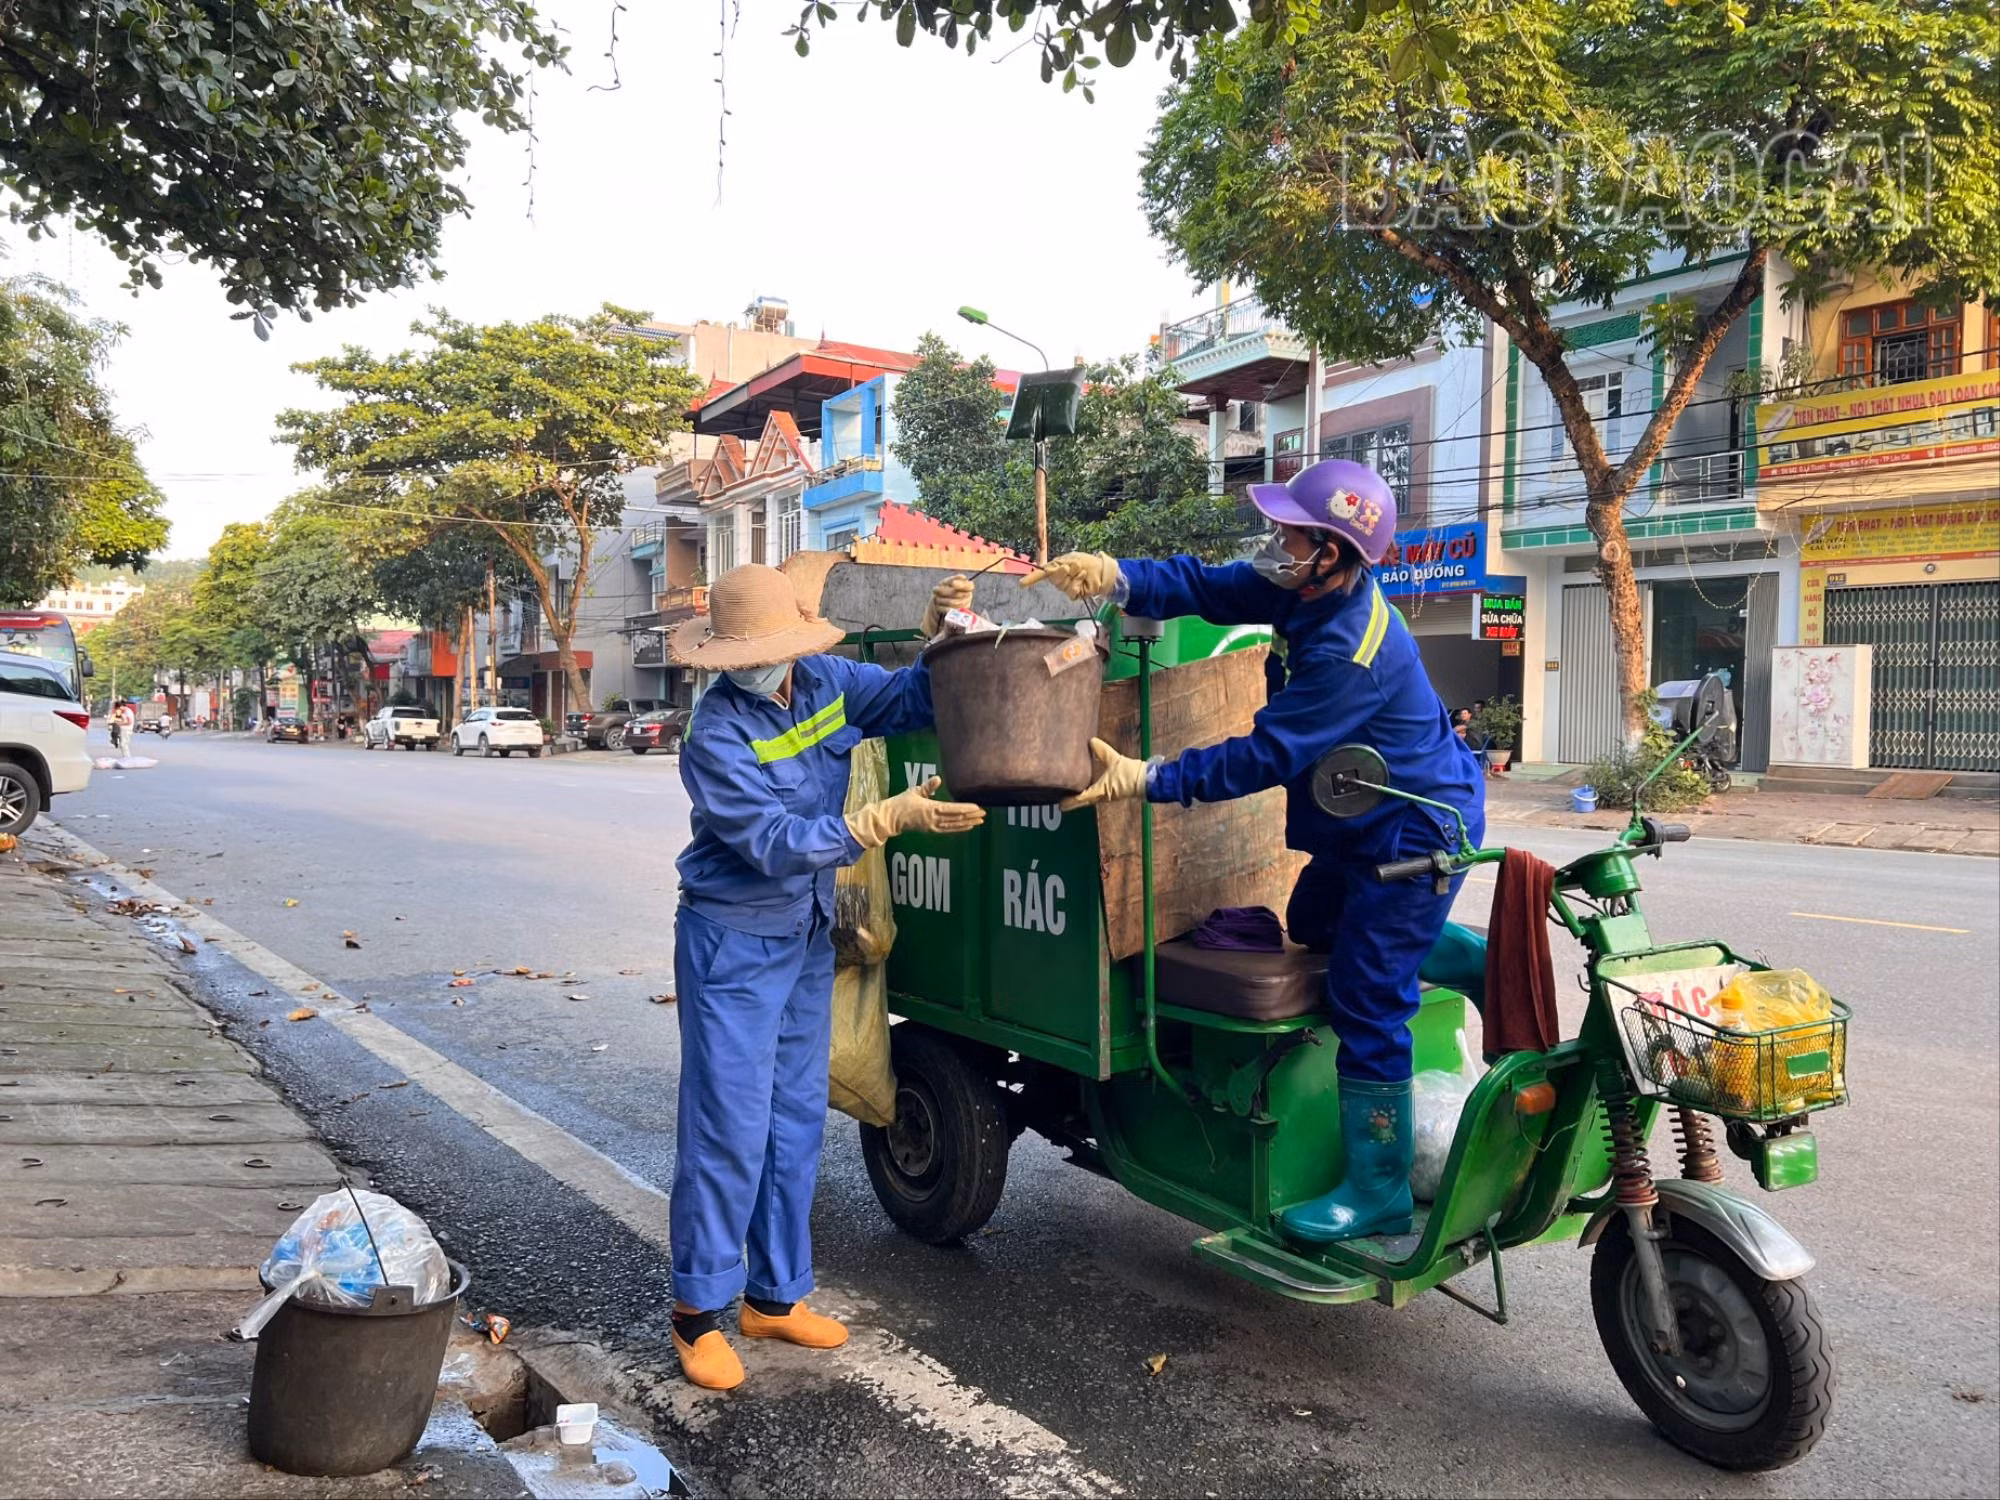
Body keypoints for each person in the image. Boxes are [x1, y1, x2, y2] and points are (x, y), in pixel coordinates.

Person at [1023, 458, 1485, 1246]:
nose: (1275, 540)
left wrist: (1149, 777)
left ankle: (1375, 1187)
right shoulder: (1303, 587)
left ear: (1331, 553)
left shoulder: (1350, 654)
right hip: (1364, 817)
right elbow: (1210, 587)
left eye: (1290, 532)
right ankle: (1469, 958)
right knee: (1313, 921)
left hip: (1413, 830)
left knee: (1365, 997)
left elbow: (1262, 756)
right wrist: (1117, 576)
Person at [665, 563, 985, 1391]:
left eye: (771, 649)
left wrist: (940, 632)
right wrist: (886, 817)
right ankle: (696, 1313)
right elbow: (770, 843)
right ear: (724, 658)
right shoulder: (715, 736)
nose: (762, 664)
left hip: (806, 936)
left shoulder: (832, 682)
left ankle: (773, 1296)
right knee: (727, 1128)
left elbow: (913, 700)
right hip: (731, 942)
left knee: (795, 1119)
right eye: (747, 655)